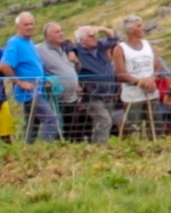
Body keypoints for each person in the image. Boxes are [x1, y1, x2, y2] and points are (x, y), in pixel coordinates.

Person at [1, 12, 60, 142]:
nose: (29, 27)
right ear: (18, 27)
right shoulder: (15, 43)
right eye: (26, 24)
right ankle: (45, 149)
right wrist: (19, 83)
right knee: (50, 119)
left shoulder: (29, 42)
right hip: (29, 92)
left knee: (32, 125)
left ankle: (29, 150)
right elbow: (4, 65)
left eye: (31, 24)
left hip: (37, 88)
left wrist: (44, 80)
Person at [112, 15, 164, 138]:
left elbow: (158, 67)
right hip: (133, 97)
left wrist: (151, 79)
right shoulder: (120, 49)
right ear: (130, 30)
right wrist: (141, 82)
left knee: (157, 128)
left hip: (152, 93)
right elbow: (121, 75)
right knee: (135, 129)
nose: (143, 28)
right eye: (139, 26)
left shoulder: (148, 45)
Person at [74, 25, 121, 143]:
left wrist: (101, 29)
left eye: (95, 36)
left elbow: (114, 38)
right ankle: (101, 148)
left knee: (102, 122)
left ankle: (96, 146)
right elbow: (66, 47)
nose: (95, 38)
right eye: (90, 36)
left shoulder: (99, 46)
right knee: (105, 120)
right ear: (82, 41)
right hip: (92, 95)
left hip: (108, 93)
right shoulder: (77, 51)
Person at [37, 22, 80, 139]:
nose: (61, 34)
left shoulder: (66, 48)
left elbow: (75, 67)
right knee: (59, 131)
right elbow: (33, 66)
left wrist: (76, 62)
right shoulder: (39, 50)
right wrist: (45, 78)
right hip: (56, 99)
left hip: (72, 98)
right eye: (57, 32)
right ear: (47, 36)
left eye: (61, 31)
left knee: (73, 131)